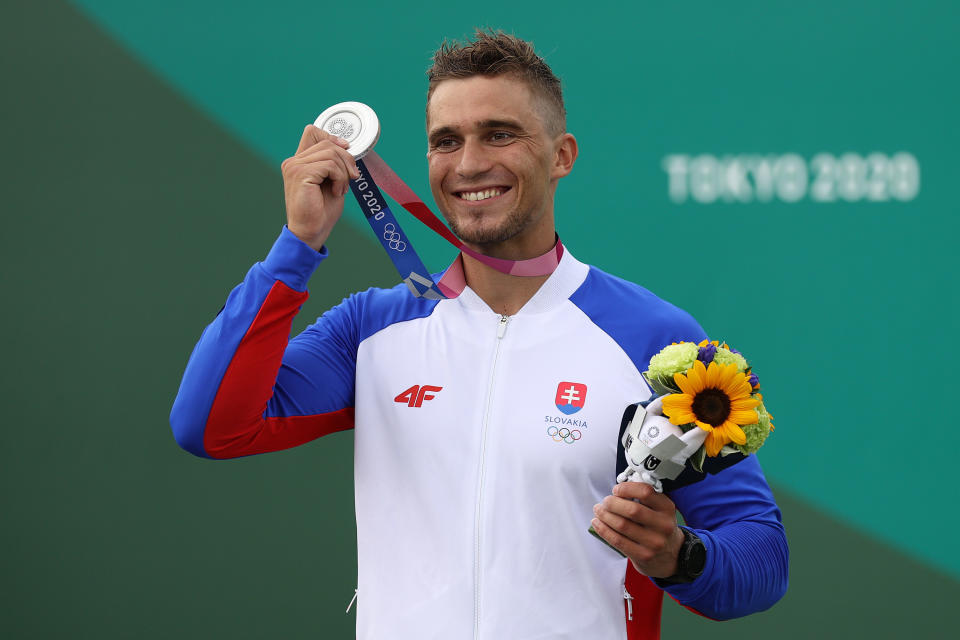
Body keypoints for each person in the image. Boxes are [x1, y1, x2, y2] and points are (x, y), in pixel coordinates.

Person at [171, 30, 788, 640]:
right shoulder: (373, 329)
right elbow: (209, 426)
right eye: (446, 141)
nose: (469, 164)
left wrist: (678, 556)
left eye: (500, 134)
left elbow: (761, 559)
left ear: (562, 155)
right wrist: (297, 247)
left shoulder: (654, 338)